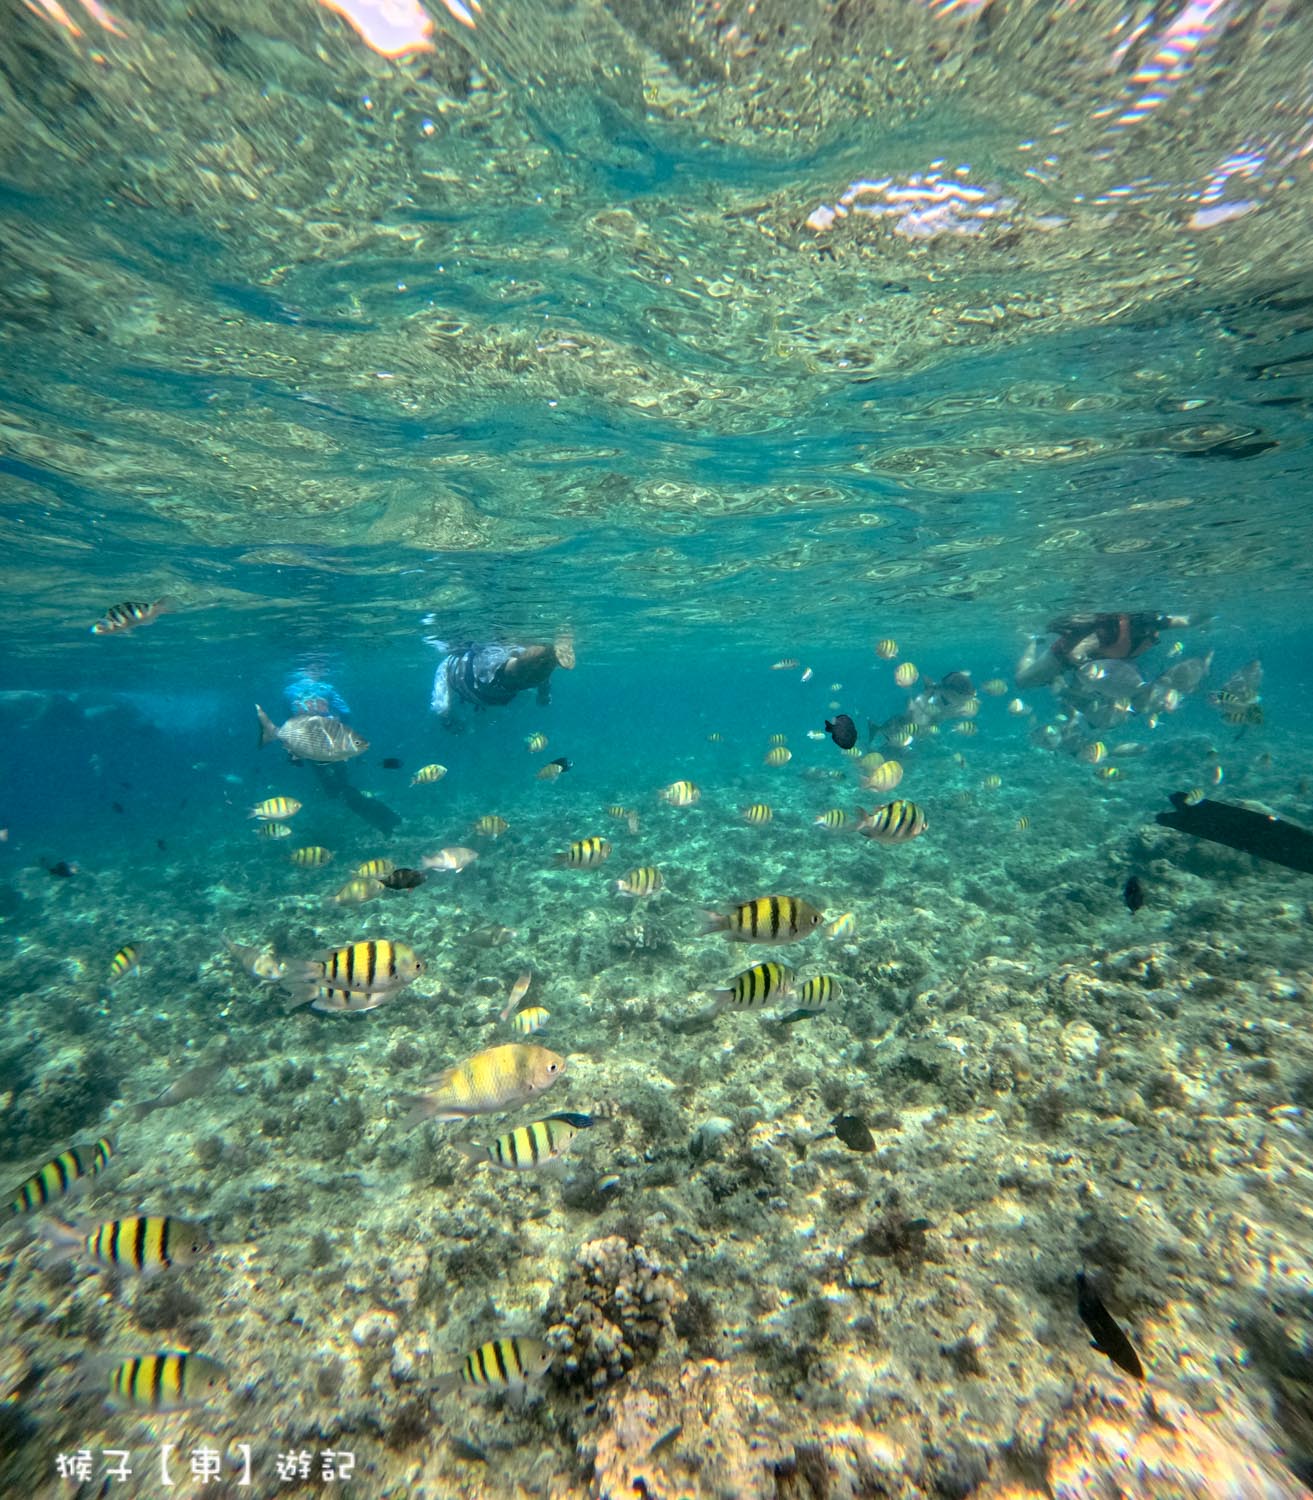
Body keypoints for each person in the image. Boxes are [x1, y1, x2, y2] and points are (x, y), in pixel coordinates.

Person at [429, 637, 575, 729]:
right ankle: (547, 656)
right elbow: (538, 679)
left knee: (516, 672)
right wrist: (544, 695)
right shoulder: (530, 676)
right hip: (467, 672)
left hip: (485, 681)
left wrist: (447, 721)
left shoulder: (448, 664)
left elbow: (440, 706)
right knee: (519, 672)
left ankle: (547, 655)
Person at [1015, 612, 1191, 688]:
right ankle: (1032, 642)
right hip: (1062, 658)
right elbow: (1076, 653)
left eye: (1152, 628)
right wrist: (1091, 671)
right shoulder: (1109, 631)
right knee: (1022, 681)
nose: (1149, 631)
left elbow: (1186, 621)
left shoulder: (1156, 624)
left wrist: (1208, 618)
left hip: (1093, 670)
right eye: (1143, 628)